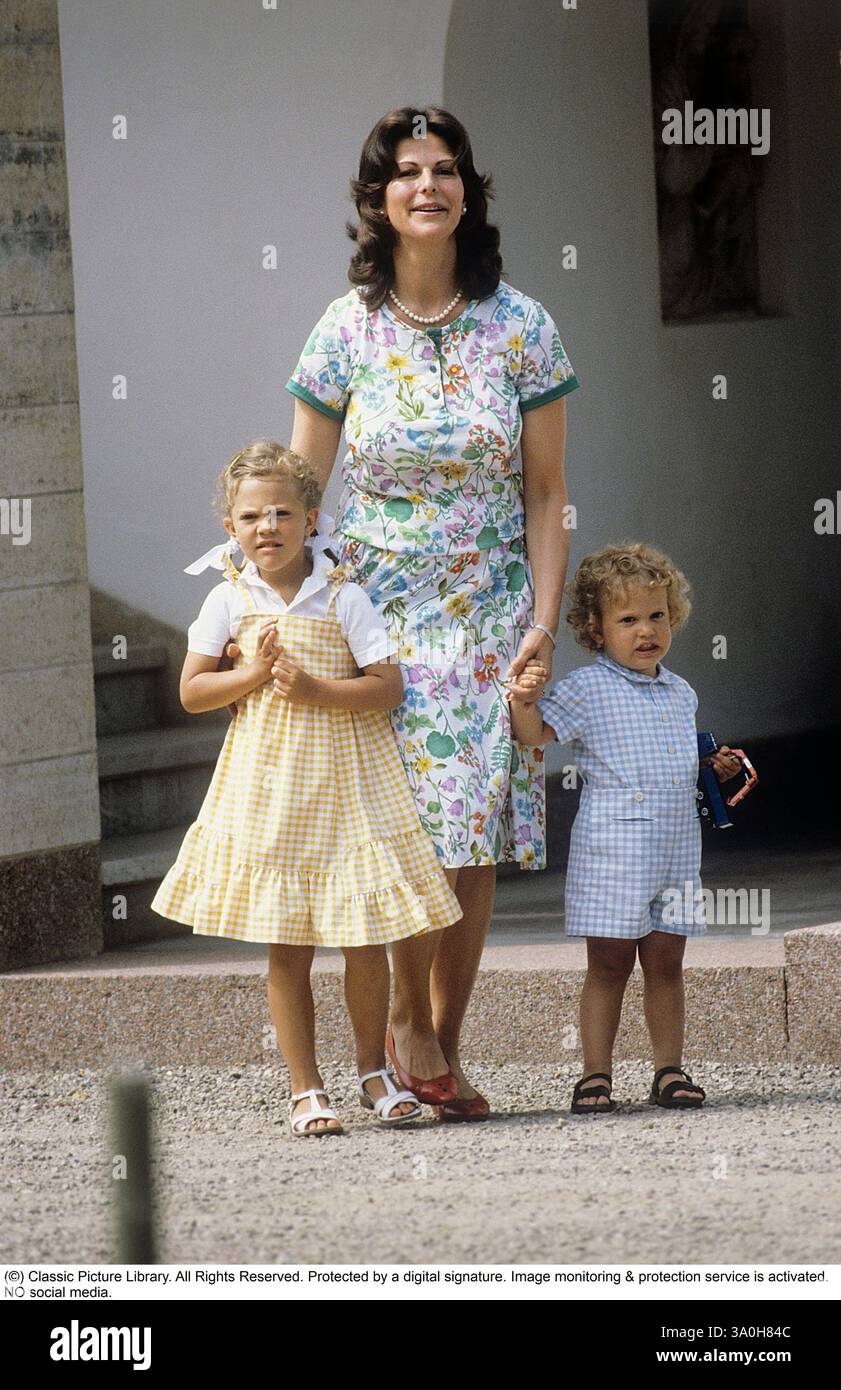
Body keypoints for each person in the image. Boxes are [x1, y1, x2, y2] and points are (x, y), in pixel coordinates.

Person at [281, 105, 580, 1119]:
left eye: (444, 169)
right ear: (378, 199)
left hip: (490, 609)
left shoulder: (523, 325)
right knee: (407, 827)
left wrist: (541, 621)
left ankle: (439, 1041)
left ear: (467, 191)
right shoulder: (342, 329)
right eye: (406, 171)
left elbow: (545, 493)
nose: (427, 186)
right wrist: (291, 617)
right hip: (379, 616)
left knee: (473, 830)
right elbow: (300, 492)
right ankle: (409, 1021)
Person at [150, 441, 463, 1136]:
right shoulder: (226, 599)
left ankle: (373, 1076)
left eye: (282, 513)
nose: (268, 527)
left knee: (363, 937)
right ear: (231, 527)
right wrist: (253, 677)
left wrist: (317, 687)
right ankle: (304, 1087)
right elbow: (194, 691)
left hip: (351, 783)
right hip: (272, 788)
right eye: (251, 515)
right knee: (286, 944)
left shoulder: (344, 594)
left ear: (311, 518)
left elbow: (386, 687)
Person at [506, 542, 742, 1113]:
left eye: (657, 616)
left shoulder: (680, 690)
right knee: (609, 962)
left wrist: (711, 765)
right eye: (628, 619)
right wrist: (524, 700)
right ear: (596, 627)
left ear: (673, 616)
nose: (646, 631)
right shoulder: (589, 688)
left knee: (667, 961)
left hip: (675, 849)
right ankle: (595, 1074)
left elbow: (678, 757)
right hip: (613, 848)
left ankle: (669, 1070)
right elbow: (536, 735)